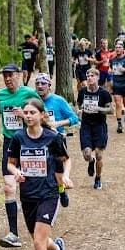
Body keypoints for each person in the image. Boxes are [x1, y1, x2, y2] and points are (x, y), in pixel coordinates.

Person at [7, 98, 70, 250]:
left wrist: (65, 177)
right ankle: (57, 248)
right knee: (39, 240)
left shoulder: (52, 138)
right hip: (28, 195)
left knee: (37, 244)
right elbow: (10, 164)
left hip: (49, 194)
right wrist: (16, 172)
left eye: (32, 112)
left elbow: (66, 160)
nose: (28, 116)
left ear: (42, 115)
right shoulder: (18, 138)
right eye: (25, 112)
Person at [0, 63, 40, 248]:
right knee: (9, 187)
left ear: (19, 75)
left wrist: (25, 115)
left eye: (11, 75)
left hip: (29, 144)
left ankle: (40, 221)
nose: (7, 79)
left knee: (30, 188)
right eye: (5, 75)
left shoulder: (29, 94)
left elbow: (41, 116)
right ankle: (13, 234)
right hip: (10, 144)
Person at [34, 72, 79, 207]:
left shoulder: (58, 101)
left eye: (43, 83)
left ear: (49, 85)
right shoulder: (33, 101)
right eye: (37, 83)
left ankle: (61, 190)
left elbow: (75, 118)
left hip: (56, 139)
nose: (40, 86)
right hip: (38, 141)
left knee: (57, 170)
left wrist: (57, 124)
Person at [77, 69, 113, 190]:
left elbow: (111, 110)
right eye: (87, 75)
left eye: (92, 75)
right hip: (86, 126)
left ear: (97, 78)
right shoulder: (82, 92)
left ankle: (98, 178)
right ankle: (91, 161)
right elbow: (79, 106)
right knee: (87, 154)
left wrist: (98, 108)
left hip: (99, 126)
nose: (89, 77)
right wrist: (79, 111)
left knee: (99, 154)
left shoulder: (104, 93)